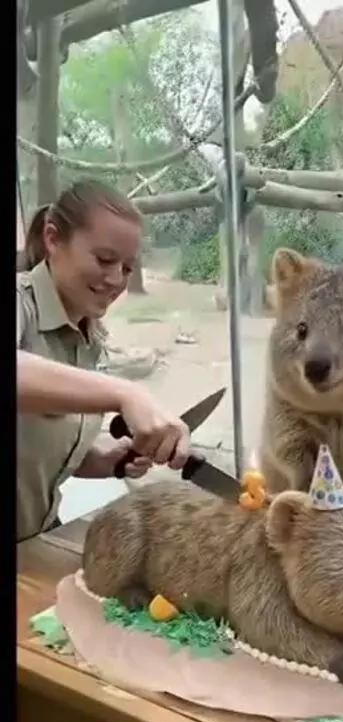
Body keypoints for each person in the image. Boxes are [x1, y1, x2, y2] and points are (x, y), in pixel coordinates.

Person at [17, 179, 191, 542]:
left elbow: (37, 447)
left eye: (127, 268)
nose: (116, 280)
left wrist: (104, 461)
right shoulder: (21, 304)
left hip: (34, 542)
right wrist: (124, 393)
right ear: (53, 239)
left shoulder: (88, 339)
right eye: (104, 259)